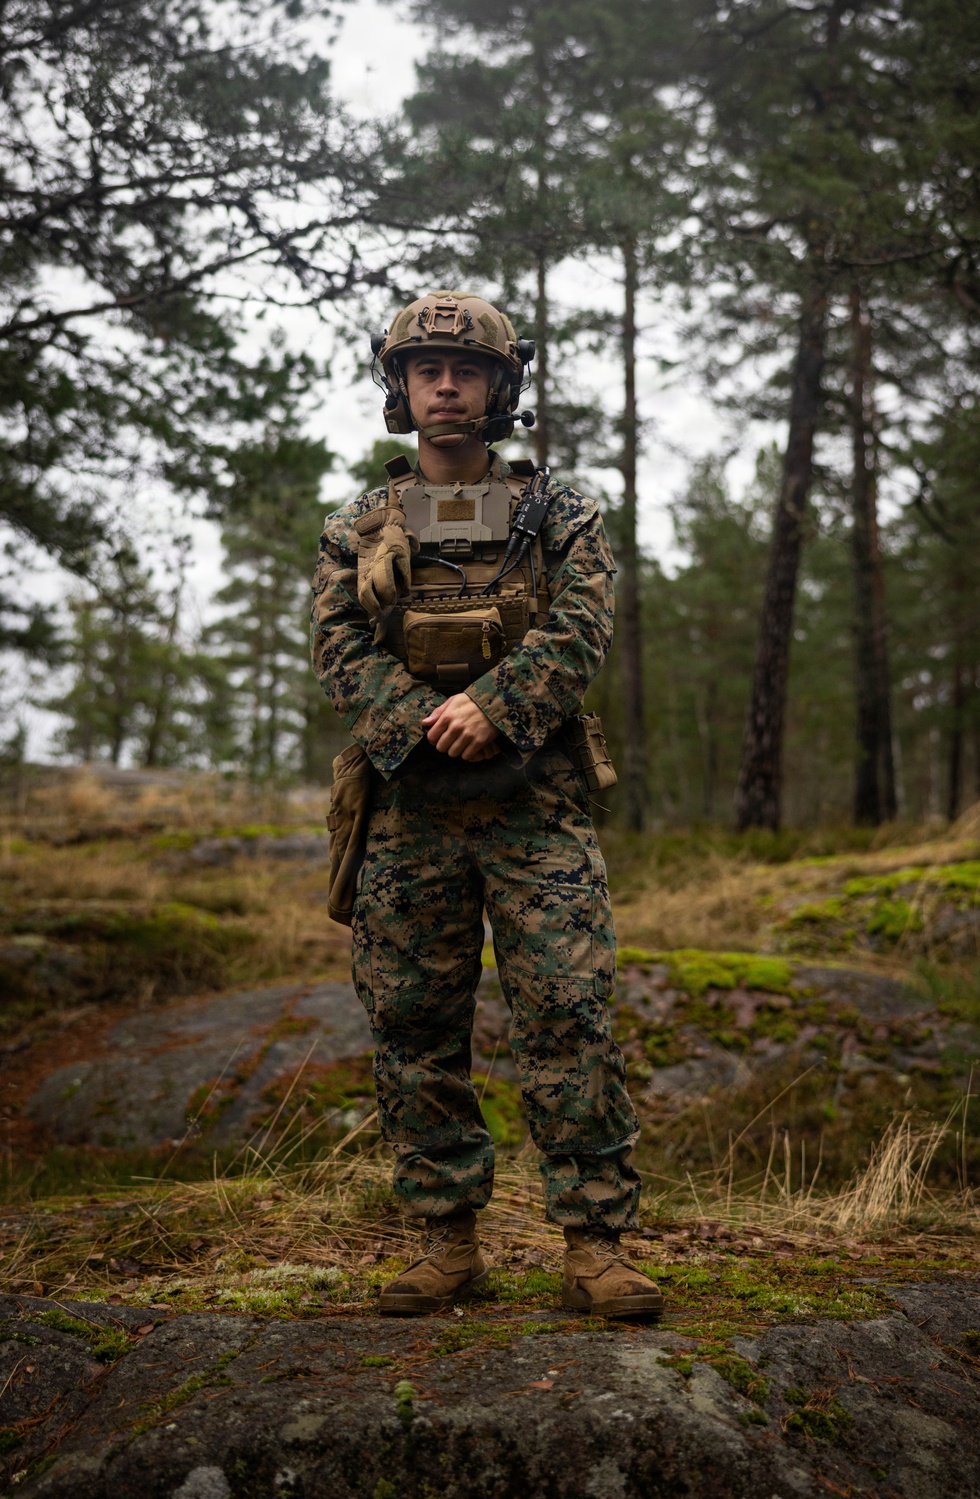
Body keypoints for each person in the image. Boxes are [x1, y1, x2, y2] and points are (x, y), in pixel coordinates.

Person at [310, 291, 662, 1320]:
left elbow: (583, 626)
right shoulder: (356, 527)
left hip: (533, 801)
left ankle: (594, 1243)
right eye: (426, 370)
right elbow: (340, 647)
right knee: (414, 1023)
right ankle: (445, 1240)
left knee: (568, 1008)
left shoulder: (561, 512)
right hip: (409, 807)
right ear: (402, 387)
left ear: (501, 387)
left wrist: (495, 707)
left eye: (465, 371)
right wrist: (424, 720)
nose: (446, 385)